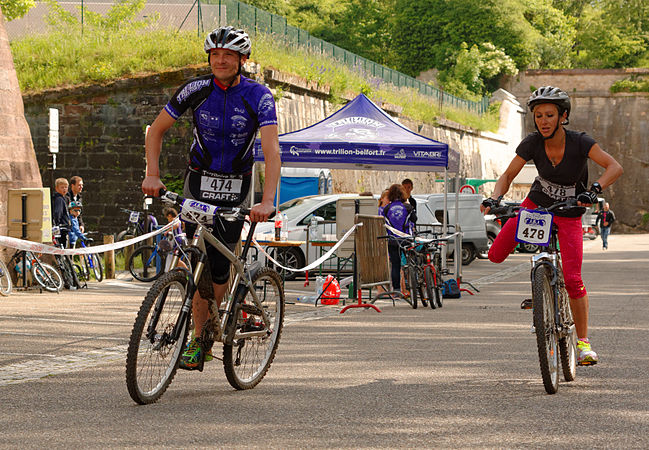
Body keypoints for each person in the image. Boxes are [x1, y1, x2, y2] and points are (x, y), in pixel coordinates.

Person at [141, 26, 281, 371]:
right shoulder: (196, 89)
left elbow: (272, 150)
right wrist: (152, 174)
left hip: (236, 185)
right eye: (215, 55)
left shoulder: (258, 96)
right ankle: (199, 337)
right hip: (198, 183)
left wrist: (267, 201)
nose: (220, 60)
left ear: (242, 60)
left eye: (229, 55)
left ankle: (207, 329)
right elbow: (155, 130)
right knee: (196, 259)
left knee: (219, 267)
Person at [481, 86, 623, 366]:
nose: (543, 121)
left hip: (569, 212)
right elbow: (508, 175)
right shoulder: (532, 143)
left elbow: (614, 167)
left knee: (573, 279)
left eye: (549, 115)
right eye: (538, 116)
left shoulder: (581, 142)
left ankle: (583, 344)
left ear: (563, 116)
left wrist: (593, 190)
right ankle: (542, 288)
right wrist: (494, 197)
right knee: (496, 254)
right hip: (535, 206)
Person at [381, 184, 415, 294]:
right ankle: (411, 287)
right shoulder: (407, 207)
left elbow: (384, 223)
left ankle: (396, 290)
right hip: (406, 239)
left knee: (395, 265)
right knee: (410, 262)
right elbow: (414, 219)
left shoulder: (386, 209)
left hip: (392, 240)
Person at [52, 178, 71, 248]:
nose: (64, 189)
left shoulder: (63, 198)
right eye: (62, 187)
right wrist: (58, 224)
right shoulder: (59, 199)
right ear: (56, 188)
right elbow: (58, 212)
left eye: (66, 187)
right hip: (62, 228)